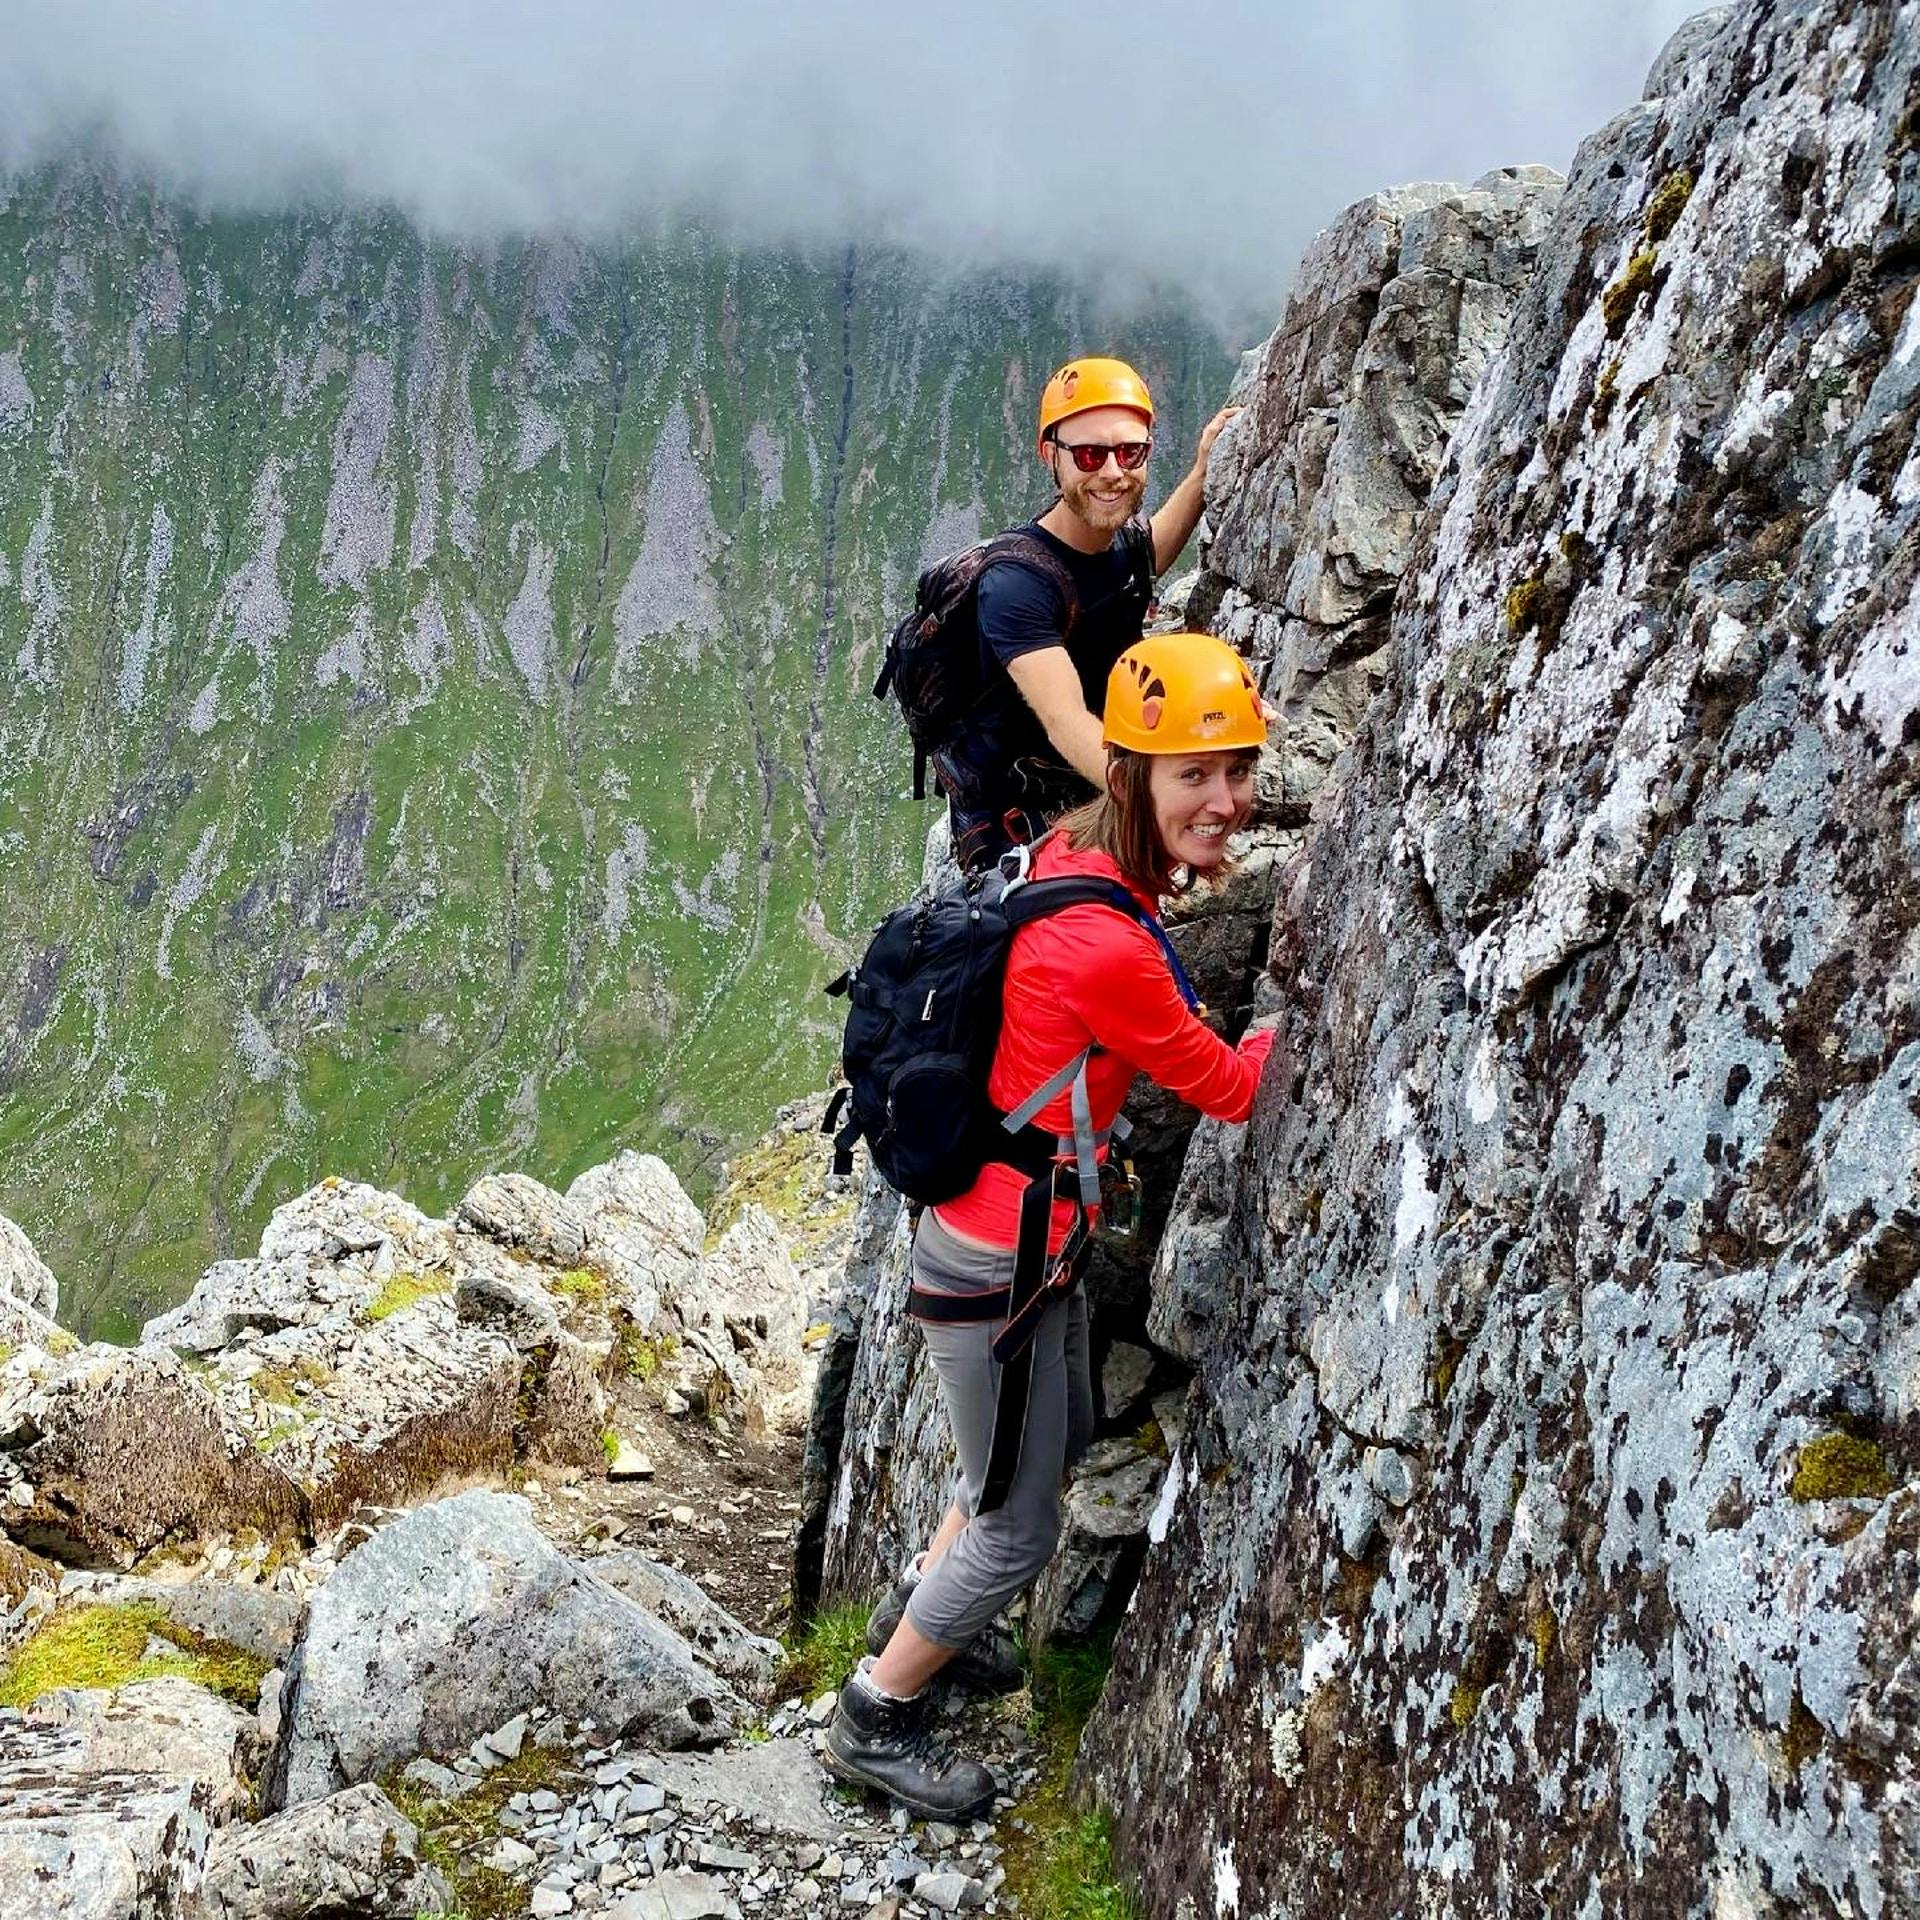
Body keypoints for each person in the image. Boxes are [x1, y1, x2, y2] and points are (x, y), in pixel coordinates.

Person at [824, 631, 1276, 1818]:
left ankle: (934, 1612)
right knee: (1020, 1529)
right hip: (999, 1265)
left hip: (1015, 1246)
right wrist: (1305, 1021)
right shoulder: (1109, 944)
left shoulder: (1072, 855)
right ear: (1131, 775)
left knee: (1046, 1447)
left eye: (1236, 768)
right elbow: (1234, 1086)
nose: (1226, 799)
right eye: (1195, 774)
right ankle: (876, 1711)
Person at [934, 356, 1239, 872]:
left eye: (1131, 451)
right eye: (1091, 454)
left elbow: (1147, 554)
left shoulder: (1112, 547)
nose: (1114, 473)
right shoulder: (1016, 583)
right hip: (1021, 818)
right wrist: (1155, 799)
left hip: (1092, 783)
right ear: (1050, 455)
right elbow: (1065, 718)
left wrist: (1204, 471)